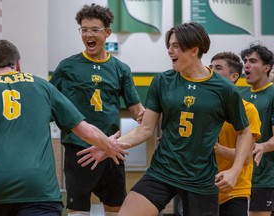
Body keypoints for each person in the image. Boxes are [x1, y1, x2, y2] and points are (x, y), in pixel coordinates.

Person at [77, 22, 253, 216]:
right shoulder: (162, 81)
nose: (170, 51)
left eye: (176, 46)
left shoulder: (225, 89)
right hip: (163, 171)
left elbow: (244, 131)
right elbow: (145, 129)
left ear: (194, 50)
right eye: (169, 45)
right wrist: (109, 146)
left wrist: (235, 171)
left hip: (200, 178)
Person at [0, 39, 127, 216]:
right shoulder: (43, 86)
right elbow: (86, 131)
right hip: (40, 190)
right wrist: (109, 145)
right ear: (18, 64)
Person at [49, 3, 145, 216]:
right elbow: (48, 101)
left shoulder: (121, 69)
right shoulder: (67, 66)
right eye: (84, 29)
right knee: (78, 208)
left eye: (94, 29)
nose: (88, 34)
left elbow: (136, 109)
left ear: (107, 32)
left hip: (111, 149)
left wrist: (146, 115)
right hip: (79, 149)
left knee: (115, 206)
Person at [210, 52, 261, 216]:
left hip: (235, 189)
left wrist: (216, 148)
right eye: (210, 67)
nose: (211, 71)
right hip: (203, 188)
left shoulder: (248, 110)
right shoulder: (204, 108)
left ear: (233, 76)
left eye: (218, 68)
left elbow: (246, 157)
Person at [240, 44, 274, 216]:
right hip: (240, 176)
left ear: (266, 67)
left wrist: (262, 146)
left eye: (252, 61)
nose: (246, 65)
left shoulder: (272, 93)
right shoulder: (239, 96)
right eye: (245, 61)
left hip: (265, 176)